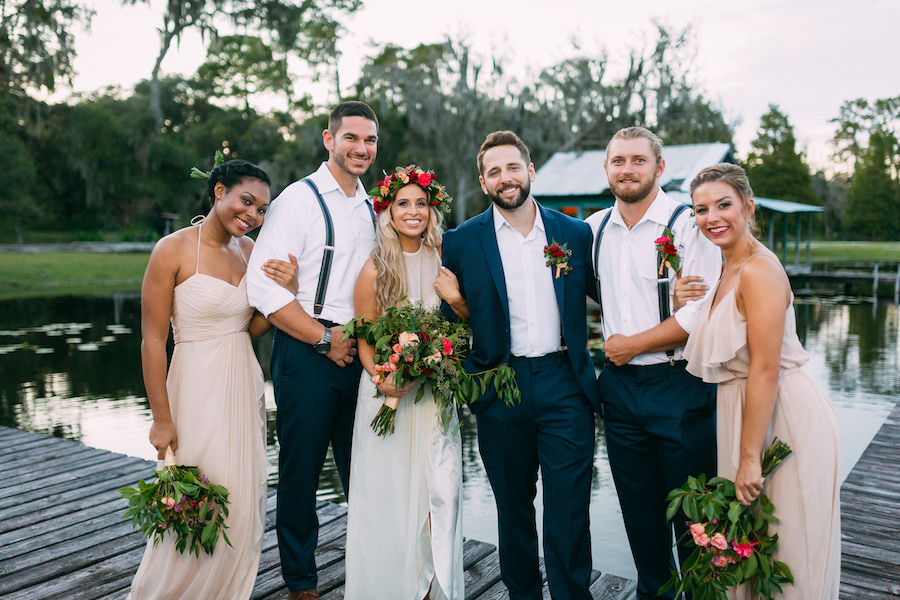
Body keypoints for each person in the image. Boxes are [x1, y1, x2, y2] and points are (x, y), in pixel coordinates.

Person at [129, 158, 298, 599]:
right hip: (194, 386)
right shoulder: (173, 249)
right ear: (219, 190)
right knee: (196, 498)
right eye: (246, 201)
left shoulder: (250, 252)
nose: (253, 215)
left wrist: (286, 291)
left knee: (241, 498)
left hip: (243, 383)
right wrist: (161, 419)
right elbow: (151, 342)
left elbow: (253, 327)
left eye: (262, 209)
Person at [441, 131, 598, 600]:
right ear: (484, 182)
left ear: (530, 172)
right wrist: (456, 305)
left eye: (513, 168)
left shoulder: (573, 233)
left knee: (569, 506)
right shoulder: (461, 240)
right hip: (498, 386)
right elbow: (452, 328)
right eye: (494, 172)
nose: (505, 179)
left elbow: (609, 292)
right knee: (513, 507)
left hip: (565, 383)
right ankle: (523, 593)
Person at [680, 163, 840, 599]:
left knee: (787, 554)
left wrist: (750, 458)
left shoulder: (758, 270)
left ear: (748, 207)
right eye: (701, 209)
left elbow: (766, 369)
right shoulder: (726, 267)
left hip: (780, 417)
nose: (712, 217)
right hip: (744, 412)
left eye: (723, 204)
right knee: (748, 554)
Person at [246, 101, 379, 600]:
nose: (361, 149)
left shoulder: (374, 207)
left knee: (364, 470)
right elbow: (262, 287)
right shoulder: (297, 200)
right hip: (308, 349)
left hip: (363, 353)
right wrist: (323, 339)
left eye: (369, 141)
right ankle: (301, 582)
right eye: (351, 138)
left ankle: (370, 568)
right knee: (301, 472)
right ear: (329, 139)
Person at [585, 126, 722, 599]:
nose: (628, 169)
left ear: (659, 168)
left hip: (680, 385)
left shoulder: (688, 224)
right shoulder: (594, 229)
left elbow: (701, 311)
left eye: (638, 160)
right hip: (620, 393)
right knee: (640, 518)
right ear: (607, 169)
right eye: (618, 160)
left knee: (695, 523)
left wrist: (631, 345)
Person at [344, 165, 468, 600]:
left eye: (421, 203)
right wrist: (385, 379)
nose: (413, 211)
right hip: (389, 396)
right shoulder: (375, 269)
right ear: (388, 211)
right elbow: (363, 337)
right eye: (403, 203)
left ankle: (437, 591)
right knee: (391, 503)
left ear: (431, 209)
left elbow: (467, 325)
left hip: (435, 400)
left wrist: (455, 301)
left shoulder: (446, 262)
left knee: (442, 496)